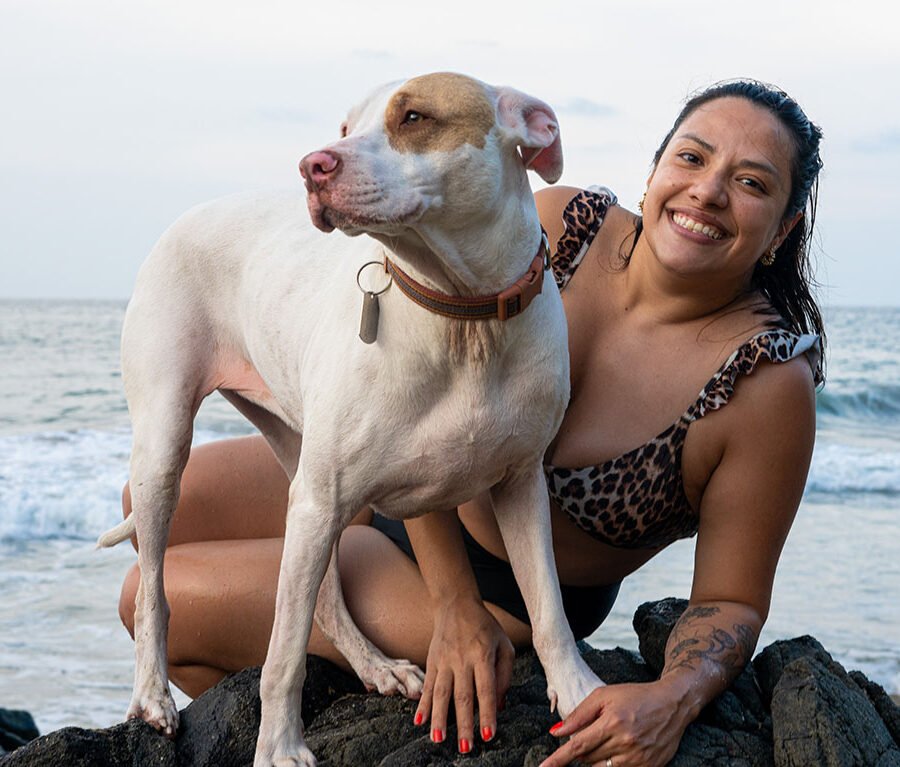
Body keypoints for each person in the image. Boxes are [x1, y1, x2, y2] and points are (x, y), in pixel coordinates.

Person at [118, 79, 825, 766]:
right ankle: (335, 649)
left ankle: (327, 699)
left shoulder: (765, 382)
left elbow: (731, 598)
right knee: (147, 506)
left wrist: (670, 699)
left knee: (150, 592)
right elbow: (423, 389)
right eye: (692, 157)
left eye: (752, 183)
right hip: (415, 495)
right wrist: (447, 593)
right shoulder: (557, 224)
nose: (707, 190)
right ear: (655, 169)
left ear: (783, 227)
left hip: (503, 590)